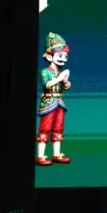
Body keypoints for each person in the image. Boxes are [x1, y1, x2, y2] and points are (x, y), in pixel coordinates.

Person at [36, 32, 72, 166]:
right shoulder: (45, 72)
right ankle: (40, 156)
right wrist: (60, 78)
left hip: (59, 103)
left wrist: (65, 81)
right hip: (48, 103)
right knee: (45, 128)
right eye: (60, 56)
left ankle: (57, 154)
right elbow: (46, 85)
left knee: (58, 128)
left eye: (65, 56)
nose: (64, 59)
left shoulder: (59, 72)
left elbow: (66, 86)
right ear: (50, 56)